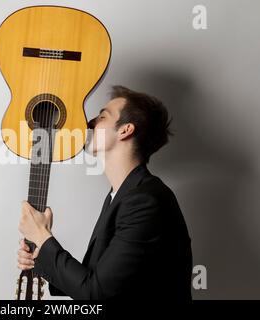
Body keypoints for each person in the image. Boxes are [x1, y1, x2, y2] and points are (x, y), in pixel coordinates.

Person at [17, 85, 193, 300]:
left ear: (125, 130)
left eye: (102, 117)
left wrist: (43, 238)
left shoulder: (145, 202)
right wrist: (40, 256)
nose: (89, 122)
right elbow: (99, 280)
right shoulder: (121, 196)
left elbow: (96, 293)